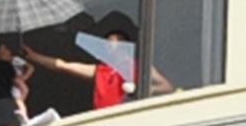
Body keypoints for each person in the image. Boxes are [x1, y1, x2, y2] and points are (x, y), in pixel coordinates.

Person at [22, 19, 173, 110]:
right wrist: (33, 56)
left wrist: (143, 91)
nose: (109, 44)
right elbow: (63, 65)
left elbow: (167, 87)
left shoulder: (139, 67)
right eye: (107, 41)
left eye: (114, 40)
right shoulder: (102, 71)